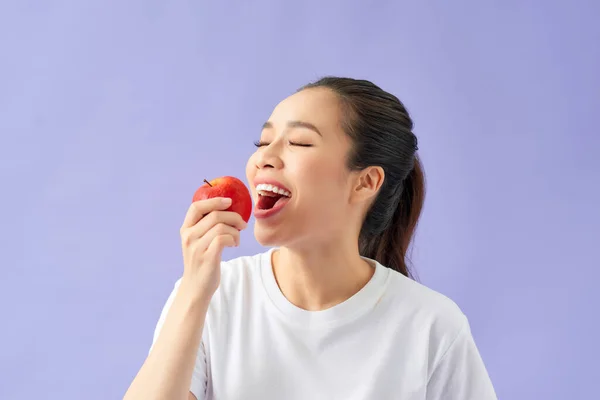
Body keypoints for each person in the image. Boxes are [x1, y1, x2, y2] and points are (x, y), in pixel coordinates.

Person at [123, 77, 497, 400]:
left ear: (366, 182)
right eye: (262, 142)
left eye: (299, 143)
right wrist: (194, 289)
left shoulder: (432, 325)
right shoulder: (212, 298)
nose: (264, 159)